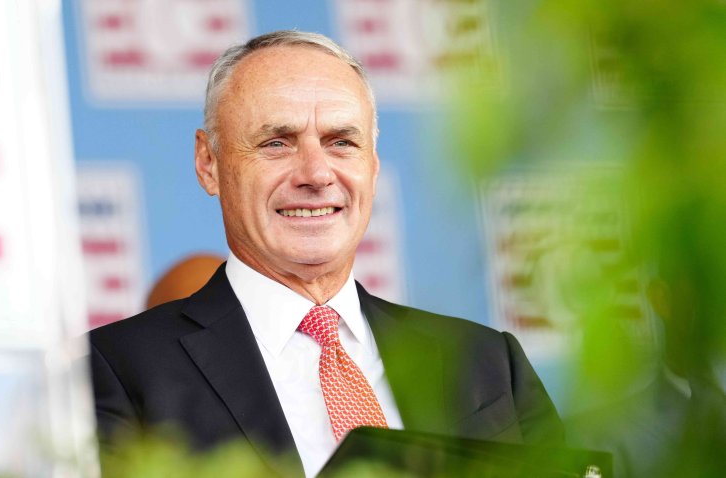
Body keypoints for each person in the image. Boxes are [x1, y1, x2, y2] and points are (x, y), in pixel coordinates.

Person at [89, 30, 564, 477]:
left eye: (342, 142)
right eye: (277, 143)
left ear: (373, 167)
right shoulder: (113, 371)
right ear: (208, 163)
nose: (316, 174)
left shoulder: (490, 362)